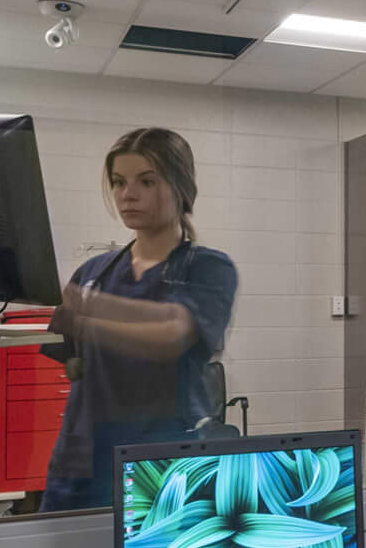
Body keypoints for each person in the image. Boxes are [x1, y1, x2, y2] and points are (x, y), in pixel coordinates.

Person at [37, 128, 239, 513]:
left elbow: (170, 336)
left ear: (181, 187)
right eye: (118, 182)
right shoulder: (93, 272)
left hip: (164, 467)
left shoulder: (209, 268)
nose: (128, 194)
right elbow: (73, 365)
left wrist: (85, 317)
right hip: (80, 466)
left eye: (146, 181)